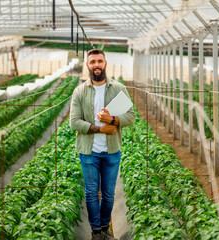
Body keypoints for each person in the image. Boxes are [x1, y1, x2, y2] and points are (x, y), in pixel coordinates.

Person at [70, 49, 135, 240]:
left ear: (105, 64)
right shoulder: (80, 91)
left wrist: (112, 119)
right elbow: (74, 122)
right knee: (91, 193)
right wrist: (100, 129)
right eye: (92, 62)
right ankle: (96, 231)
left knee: (108, 194)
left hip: (111, 150)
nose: (96, 65)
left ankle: (105, 228)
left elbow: (130, 116)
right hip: (88, 151)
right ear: (87, 65)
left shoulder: (118, 88)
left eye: (99, 61)